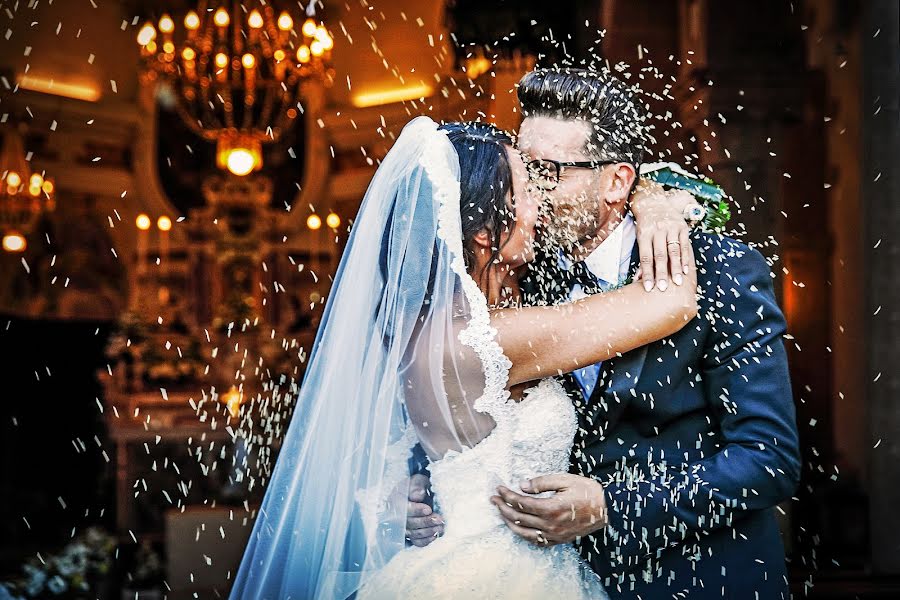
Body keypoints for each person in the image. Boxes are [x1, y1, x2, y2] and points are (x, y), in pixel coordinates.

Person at [228, 113, 700, 599]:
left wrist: (400, 497)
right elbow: (673, 301)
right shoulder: (490, 340)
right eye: (525, 193)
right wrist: (651, 201)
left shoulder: (419, 330)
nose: (539, 204)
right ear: (482, 232)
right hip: (510, 575)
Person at [410, 68, 802, 600]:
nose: (532, 192)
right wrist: (414, 489)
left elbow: (767, 459)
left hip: (700, 580)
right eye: (524, 171)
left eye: (548, 172)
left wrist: (610, 507)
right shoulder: (515, 272)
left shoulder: (718, 270)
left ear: (618, 182)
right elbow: (459, 405)